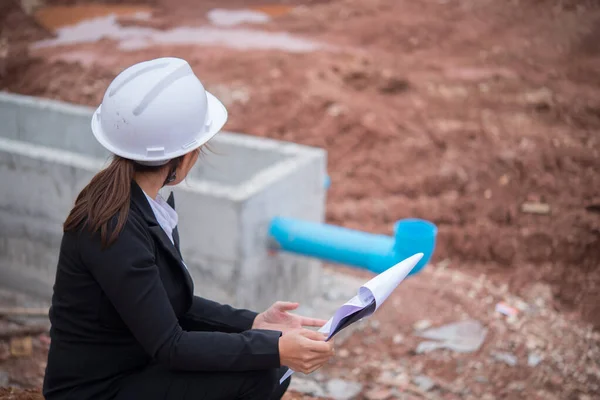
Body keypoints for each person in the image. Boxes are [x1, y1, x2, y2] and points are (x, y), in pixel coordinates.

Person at [42, 57, 335, 400]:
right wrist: (274, 348)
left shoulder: (145, 201)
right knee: (258, 375)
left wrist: (256, 323)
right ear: (184, 155)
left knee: (264, 367)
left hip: (130, 366)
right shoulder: (113, 228)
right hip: (94, 391)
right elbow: (171, 345)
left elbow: (170, 304)